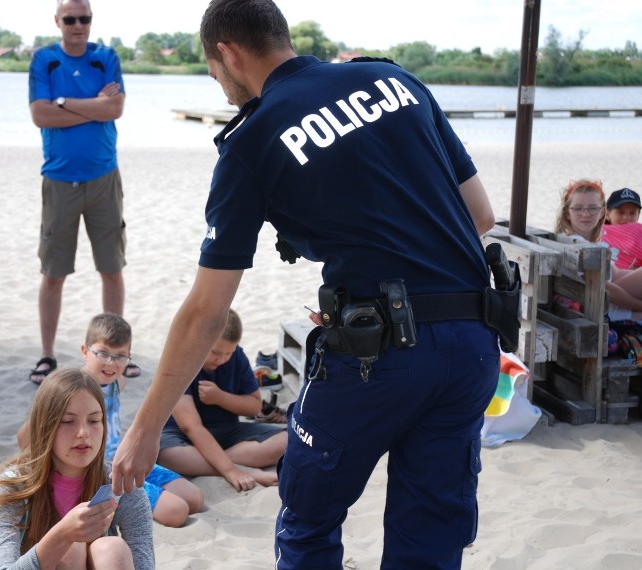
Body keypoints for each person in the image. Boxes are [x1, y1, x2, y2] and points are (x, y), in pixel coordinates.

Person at [111, 1, 501, 568]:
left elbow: (206, 312)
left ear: (227, 53)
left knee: (308, 518)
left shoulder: (252, 140)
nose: (219, 86)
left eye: (213, 71)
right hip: (471, 341)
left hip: (376, 359)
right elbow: (480, 215)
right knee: (433, 529)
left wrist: (145, 429)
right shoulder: (394, 79)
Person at [27, 0, 137, 384]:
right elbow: (40, 115)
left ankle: (119, 352)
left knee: (112, 268)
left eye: (84, 18)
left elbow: (116, 109)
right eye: (70, 18)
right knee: (54, 273)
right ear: (57, 21)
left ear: (91, 20)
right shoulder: (45, 61)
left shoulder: (106, 57)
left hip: (104, 178)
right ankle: (46, 356)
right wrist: (94, 106)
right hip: (59, 180)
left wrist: (64, 103)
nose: (78, 25)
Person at [16, 313, 204, 527]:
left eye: (120, 356)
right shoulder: (70, 389)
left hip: (124, 456)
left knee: (195, 499)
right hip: (99, 468)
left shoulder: (117, 382)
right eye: (103, 353)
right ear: (85, 351)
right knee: (177, 512)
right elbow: (25, 434)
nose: (111, 363)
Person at [0, 368, 155, 570]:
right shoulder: (11, 488)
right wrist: (62, 534)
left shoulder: (116, 484)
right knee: (70, 547)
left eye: (94, 421)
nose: (83, 433)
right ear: (44, 427)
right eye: (68, 422)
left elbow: (145, 564)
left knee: (112, 549)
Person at [158, 309, 286, 491]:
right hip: (180, 435)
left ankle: (210, 460)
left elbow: (254, 407)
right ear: (199, 341)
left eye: (229, 353)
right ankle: (242, 468)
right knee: (168, 455)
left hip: (227, 430)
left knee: (286, 440)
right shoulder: (181, 359)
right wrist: (230, 471)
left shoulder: (237, 356)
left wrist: (220, 398)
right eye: (216, 352)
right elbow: (191, 427)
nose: (223, 359)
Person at [555, 179, 642, 320]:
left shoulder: (584, 243)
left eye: (592, 208)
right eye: (578, 208)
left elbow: (617, 274)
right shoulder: (578, 246)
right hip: (597, 311)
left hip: (600, 304)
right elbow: (605, 291)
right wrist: (639, 306)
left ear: (602, 212)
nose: (585, 213)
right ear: (567, 213)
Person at [602, 187, 642, 270]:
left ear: (638, 215)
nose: (626, 217)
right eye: (620, 212)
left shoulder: (640, 236)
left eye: (632, 213)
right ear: (607, 213)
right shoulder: (595, 231)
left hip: (629, 280)